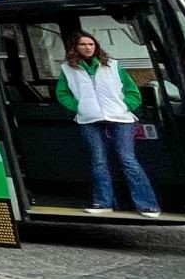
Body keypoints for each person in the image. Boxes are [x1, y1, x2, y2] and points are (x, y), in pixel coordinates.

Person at [56, 32, 159, 216]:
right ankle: (103, 203)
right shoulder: (68, 69)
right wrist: (78, 107)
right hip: (88, 119)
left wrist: (126, 106)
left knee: (127, 159)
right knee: (98, 161)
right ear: (75, 48)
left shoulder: (112, 65)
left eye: (91, 44)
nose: (88, 47)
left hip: (120, 118)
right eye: (83, 44)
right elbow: (62, 93)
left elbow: (131, 90)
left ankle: (147, 204)